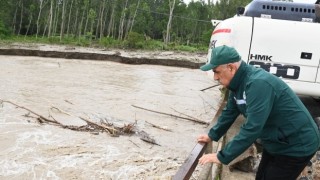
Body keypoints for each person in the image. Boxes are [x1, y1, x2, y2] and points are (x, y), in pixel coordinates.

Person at [197, 45, 320, 180]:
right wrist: (212, 135)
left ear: (231, 68)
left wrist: (222, 156)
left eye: (217, 71)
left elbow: (253, 127)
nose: (215, 77)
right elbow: (229, 112)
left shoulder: (258, 83)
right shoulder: (237, 84)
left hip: (296, 144)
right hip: (276, 141)